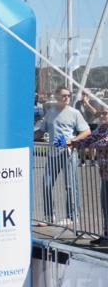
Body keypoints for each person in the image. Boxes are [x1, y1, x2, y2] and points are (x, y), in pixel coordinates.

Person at [38, 88, 91, 227]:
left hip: (68, 153)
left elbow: (86, 131)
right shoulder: (50, 112)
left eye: (69, 95)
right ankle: (49, 216)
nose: (67, 97)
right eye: (64, 95)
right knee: (46, 184)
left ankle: (72, 216)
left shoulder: (75, 113)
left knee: (70, 185)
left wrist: (73, 140)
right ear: (56, 96)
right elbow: (41, 131)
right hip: (52, 153)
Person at [75, 104, 108, 246]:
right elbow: (89, 140)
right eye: (101, 113)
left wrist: (93, 145)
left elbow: (104, 143)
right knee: (105, 205)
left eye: (105, 113)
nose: (102, 116)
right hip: (105, 174)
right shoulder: (101, 128)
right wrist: (72, 143)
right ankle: (106, 236)